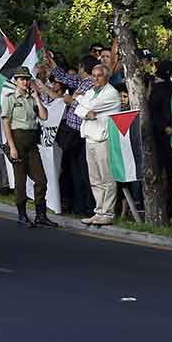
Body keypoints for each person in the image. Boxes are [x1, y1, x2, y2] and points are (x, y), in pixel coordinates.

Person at [1, 67, 55, 227]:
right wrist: (11, 147)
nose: (24, 82)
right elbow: (6, 124)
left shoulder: (32, 99)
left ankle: (40, 215)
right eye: (21, 79)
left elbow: (44, 116)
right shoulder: (10, 99)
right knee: (20, 181)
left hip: (32, 142)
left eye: (26, 79)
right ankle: (22, 215)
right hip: (17, 140)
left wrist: (37, 98)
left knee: (41, 179)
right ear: (15, 81)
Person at [47, 52, 98, 216]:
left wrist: (72, 101)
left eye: (79, 67)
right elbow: (65, 78)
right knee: (76, 171)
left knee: (84, 172)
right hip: (73, 133)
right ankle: (79, 206)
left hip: (81, 133)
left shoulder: (92, 84)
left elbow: (90, 107)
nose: (77, 70)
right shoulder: (82, 82)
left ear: (84, 68)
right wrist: (52, 64)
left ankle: (89, 207)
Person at [75, 64, 122, 226]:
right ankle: (99, 211)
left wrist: (79, 99)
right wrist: (85, 111)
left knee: (107, 178)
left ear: (106, 77)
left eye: (99, 75)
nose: (95, 78)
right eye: (93, 75)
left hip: (103, 139)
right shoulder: (91, 91)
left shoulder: (111, 93)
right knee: (95, 179)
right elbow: (78, 111)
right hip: (89, 138)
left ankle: (107, 213)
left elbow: (90, 106)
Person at [147, 60, 172, 216]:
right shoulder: (162, 88)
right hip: (164, 136)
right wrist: (164, 127)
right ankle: (168, 207)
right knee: (168, 172)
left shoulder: (171, 88)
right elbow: (153, 112)